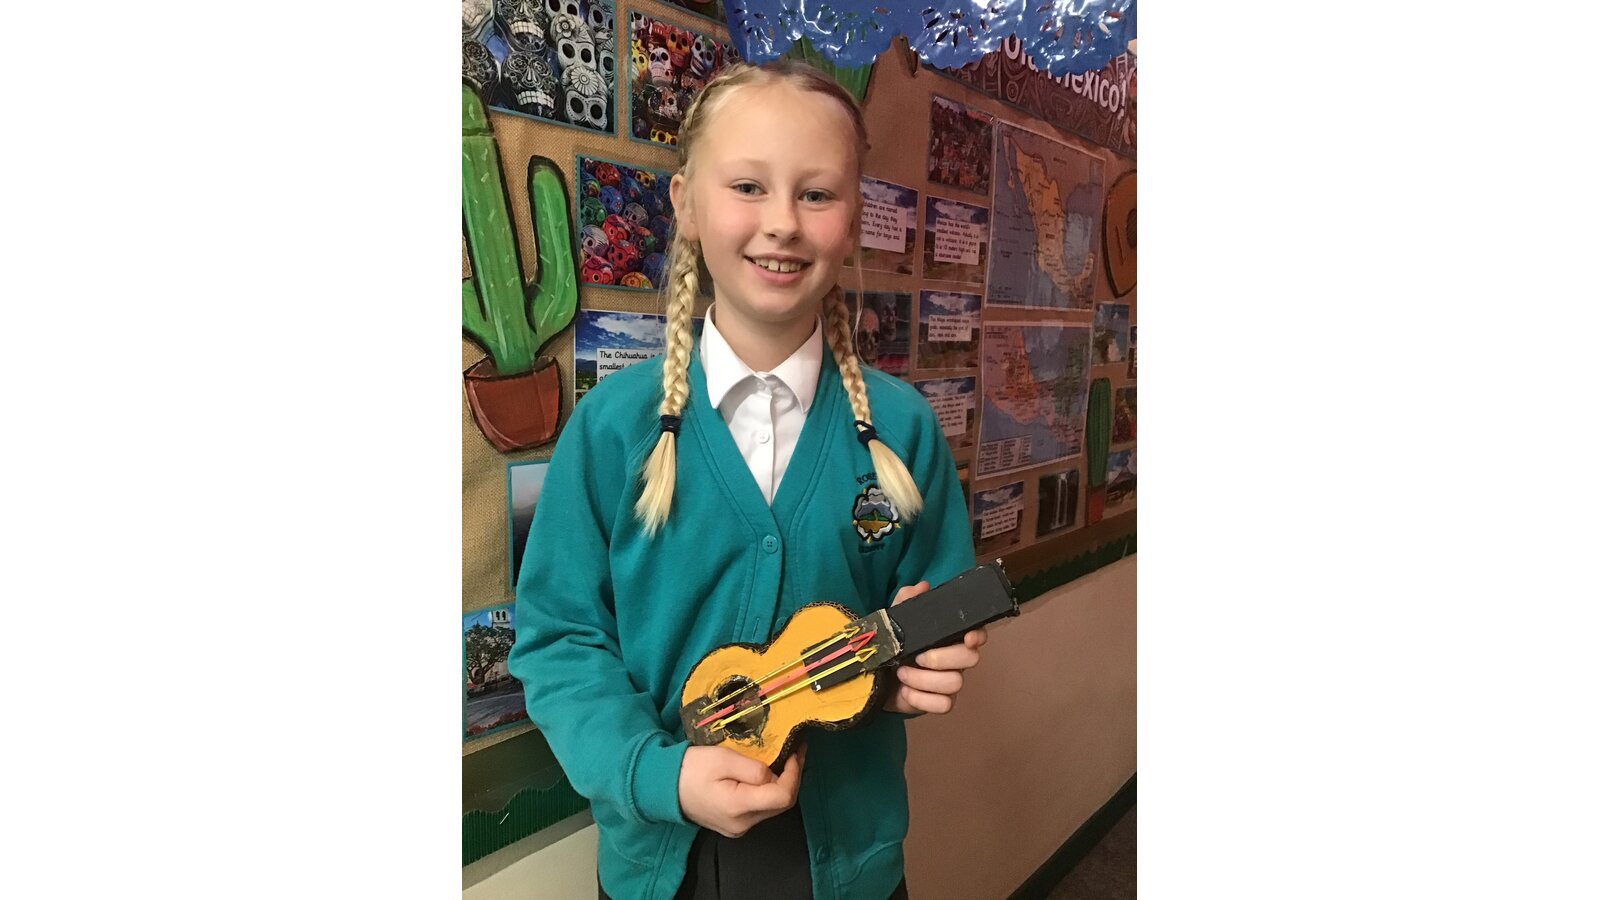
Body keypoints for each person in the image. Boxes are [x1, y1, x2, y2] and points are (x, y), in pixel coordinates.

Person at [509, 60, 987, 900]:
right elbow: (559, 639)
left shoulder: (903, 429)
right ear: (687, 204)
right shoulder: (612, 429)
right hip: (663, 860)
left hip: (848, 866)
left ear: (853, 219)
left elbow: (938, 607)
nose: (782, 224)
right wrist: (658, 775)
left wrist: (921, 667)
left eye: (817, 193)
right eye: (747, 187)